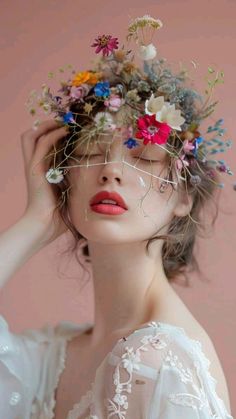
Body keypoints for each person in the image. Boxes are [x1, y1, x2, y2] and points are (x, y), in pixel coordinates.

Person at [0, 14, 234, 419]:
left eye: (143, 156)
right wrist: (36, 221)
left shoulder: (158, 364)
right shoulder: (48, 357)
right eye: (90, 152)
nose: (111, 170)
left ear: (184, 198)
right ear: (64, 181)